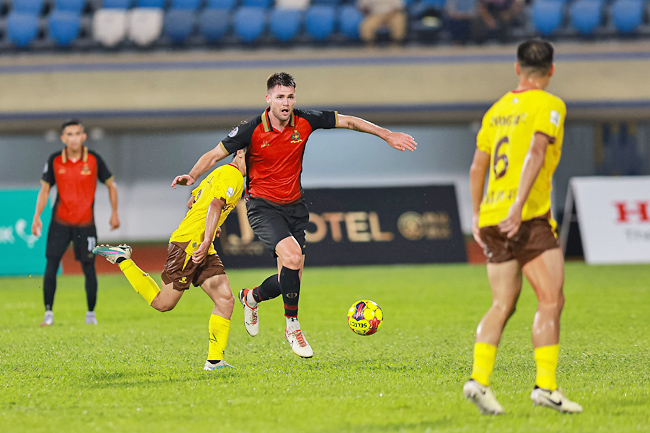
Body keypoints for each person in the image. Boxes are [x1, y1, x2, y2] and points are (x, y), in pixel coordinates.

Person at [172, 72, 416, 359]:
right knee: (292, 258)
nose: (285, 103)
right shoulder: (250, 130)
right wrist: (192, 174)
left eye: (290, 96)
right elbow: (215, 154)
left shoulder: (305, 120)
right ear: (268, 99)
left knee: (290, 279)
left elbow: (349, 121)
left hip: (295, 208)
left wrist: (387, 134)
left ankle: (251, 298)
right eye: (280, 97)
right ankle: (293, 327)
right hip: (263, 207)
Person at [464, 39, 582, 415]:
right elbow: (536, 151)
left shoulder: (496, 110)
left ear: (517, 69)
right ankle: (546, 387)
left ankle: (478, 380)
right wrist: (517, 207)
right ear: (551, 69)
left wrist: (476, 214)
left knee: (502, 303)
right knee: (551, 300)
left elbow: (477, 167)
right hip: (526, 216)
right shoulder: (550, 104)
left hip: (492, 217)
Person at [93, 149, 247, 371]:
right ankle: (122, 259)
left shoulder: (219, 172)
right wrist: (207, 235)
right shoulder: (233, 176)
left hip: (199, 241)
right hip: (191, 244)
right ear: (240, 153)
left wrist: (213, 226)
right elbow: (214, 205)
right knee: (163, 303)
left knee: (225, 299)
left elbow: (193, 202)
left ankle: (215, 362)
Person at [32, 119, 120, 327]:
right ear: (63, 138)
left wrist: (114, 213)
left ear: (83, 136)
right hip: (59, 223)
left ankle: (90, 314)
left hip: (86, 224)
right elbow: (45, 190)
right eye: (69, 134)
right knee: (51, 265)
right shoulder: (54, 160)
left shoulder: (94, 159)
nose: (73, 138)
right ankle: (48, 313)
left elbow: (111, 185)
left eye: (77, 133)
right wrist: (36, 216)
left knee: (89, 267)